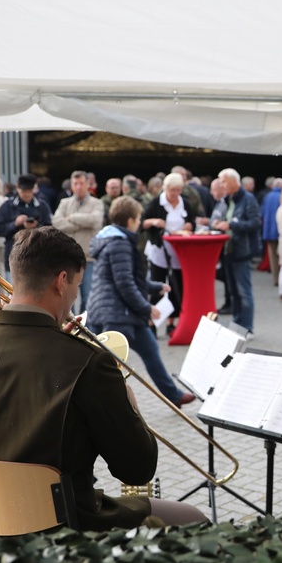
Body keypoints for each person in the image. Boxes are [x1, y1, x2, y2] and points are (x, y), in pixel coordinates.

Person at [0, 226, 207, 543]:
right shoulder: (89, 363)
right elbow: (137, 469)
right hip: (63, 531)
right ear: (62, 282)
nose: (75, 296)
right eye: (76, 285)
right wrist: (128, 401)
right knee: (194, 518)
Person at [87, 197, 195, 407]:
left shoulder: (112, 238)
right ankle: (106, 406)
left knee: (150, 349)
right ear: (129, 221)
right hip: (117, 314)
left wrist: (155, 287)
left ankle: (173, 395)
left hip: (113, 311)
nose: (139, 222)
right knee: (111, 366)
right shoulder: (119, 243)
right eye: (137, 218)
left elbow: (129, 278)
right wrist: (147, 308)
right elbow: (125, 284)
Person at [142, 173, 196, 336]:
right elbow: (142, 223)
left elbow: (192, 221)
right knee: (157, 286)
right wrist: (154, 222)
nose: (175, 194)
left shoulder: (184, 203)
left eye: (178, 190)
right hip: (159, 251)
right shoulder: (157, 203)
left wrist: (189, 225)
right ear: (165, 188)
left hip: (179, 253)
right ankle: (152, 323)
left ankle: (172, 323)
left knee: (176, 286)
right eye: (173, 190)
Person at [211, 168, 260, 337]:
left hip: (242, 251)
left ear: (234, 181)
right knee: (233, 291)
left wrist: (231, 225)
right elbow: (223, 217)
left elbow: (254, 223)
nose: (221, 185)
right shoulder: (228, 199)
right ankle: (238, 325)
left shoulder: (248, 199)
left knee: (243, 290)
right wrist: (218, 222)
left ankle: (247, 327)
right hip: (229, 251)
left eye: (224, 181)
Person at [52, 170, 104, 313]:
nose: (79, 186)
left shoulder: (97, 203)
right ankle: (70, 327)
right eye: (76, 183)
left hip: (89, 258)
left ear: (88, 184)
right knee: (67, 297)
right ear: (72, 185)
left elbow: (95, 221)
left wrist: (72, 217)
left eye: (81, 183)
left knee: (88, 297)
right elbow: (57, 223)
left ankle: (85, 327)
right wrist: (83, 222)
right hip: (68, 258)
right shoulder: (64, 202)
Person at [0, 173, 53, 281]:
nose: (26, 194)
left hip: (37, 256)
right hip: (13, 254)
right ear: (17, 188)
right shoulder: (8, 205)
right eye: (23, 190)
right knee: (12, 291)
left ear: (34, 189)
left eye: (29, 191)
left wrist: (36, 227)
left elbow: (50, 230)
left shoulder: (42, 205)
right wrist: (15, 224)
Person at [261, 178, 282, 286]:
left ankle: (275, 279)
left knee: (273, 257)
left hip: (269, 230)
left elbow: (262, 212)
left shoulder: (268, 196)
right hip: (280, 230)